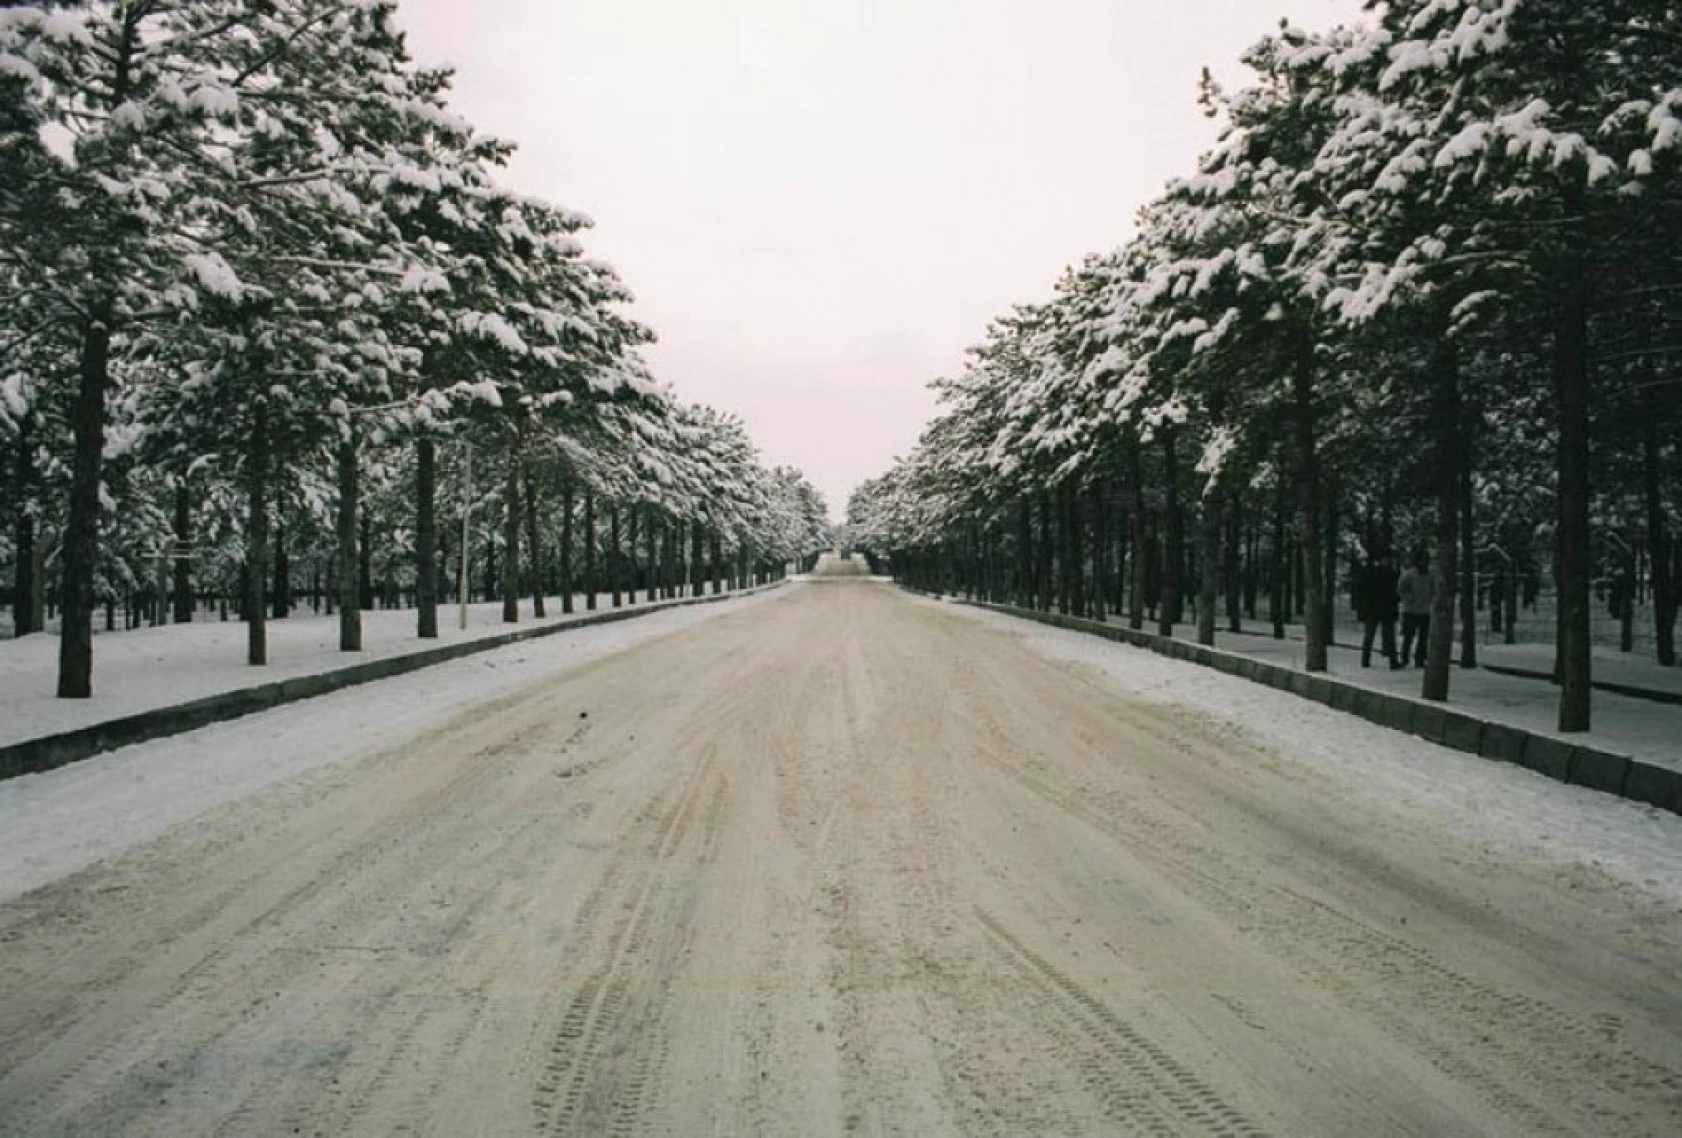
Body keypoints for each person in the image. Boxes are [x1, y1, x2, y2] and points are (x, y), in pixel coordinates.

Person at [1353, 547, 1399, 668]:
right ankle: (1368, 659)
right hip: (1375, 608)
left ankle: (1390, 660)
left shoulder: (1388, 574)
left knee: (1382, 635)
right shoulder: (1378, 574)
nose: (1388, 562)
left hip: (1381, 609)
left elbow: (1394, 594)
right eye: (1386, 559)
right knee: (1372, 635)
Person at [1397, 546, 1433, 667]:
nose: (1424, 562)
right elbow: (1401, 588)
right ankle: (1404, 658)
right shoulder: (1409, 574)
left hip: (1425, 610)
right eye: (1422, 560)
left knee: (1423, 638)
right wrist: (1409, 598)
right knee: (1408, 636)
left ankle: (1420, 659)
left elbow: (1434, 589)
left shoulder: (1430, 575)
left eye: (1426, 560)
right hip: (1411, 610)